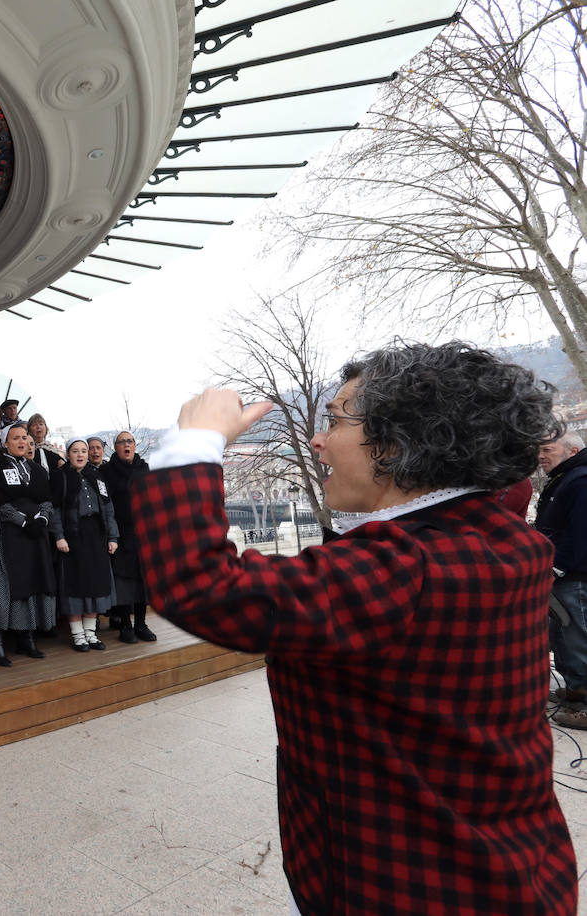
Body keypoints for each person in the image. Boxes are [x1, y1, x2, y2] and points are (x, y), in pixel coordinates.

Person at [133, 342, 575, 914]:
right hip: (514, 864)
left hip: (402, 883)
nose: (318, 440)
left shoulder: (407, 568)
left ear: (397, 443)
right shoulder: (500, 533)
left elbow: (201, 586)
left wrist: (195, 445)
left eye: (337, 419)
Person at [0, 422, 60, 664]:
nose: (21, 441)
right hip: (9, 533)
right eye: (15, 438)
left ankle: (27, 638)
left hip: (35, 535)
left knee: (33, 582)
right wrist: (22, 521)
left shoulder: (37, 470)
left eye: (24, 437)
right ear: (5, 443)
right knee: (4, 585)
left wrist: (43, 517)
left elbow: (47, 499)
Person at [535, 431, 587, 726]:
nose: (541, 455)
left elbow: (582, 534)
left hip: (575, 576)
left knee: (578, 636)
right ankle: (574, 691)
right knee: (562, 636)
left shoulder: (580, 481)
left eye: (547, 449)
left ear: (571, 450)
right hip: (562, 573)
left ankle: (585, 705)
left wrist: (559, 567)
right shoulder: (564, 478)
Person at [52, 437, 117, 651]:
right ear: (68, 454)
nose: (80, 455)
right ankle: (78, 635)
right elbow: (55, 511)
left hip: (95, 536)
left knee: (95, 584)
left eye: (83, 451)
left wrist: (112, 537)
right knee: (75, 585)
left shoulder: (97, 477)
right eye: (75, 451)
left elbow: (108, 508)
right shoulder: (60, 478)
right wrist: (59, 536)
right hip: (73, 537)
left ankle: (91, 633)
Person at [101, 430, 154, 643]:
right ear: (115, 447)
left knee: (143, 580)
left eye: (130, 441)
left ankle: (141, 623)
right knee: (123, 581)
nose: (126, 445)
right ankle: (125, 625)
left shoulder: (144, 468)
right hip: (120, 532)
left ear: (135, 445)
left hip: (143, 532)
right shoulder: (108, 471)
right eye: (122, 442)